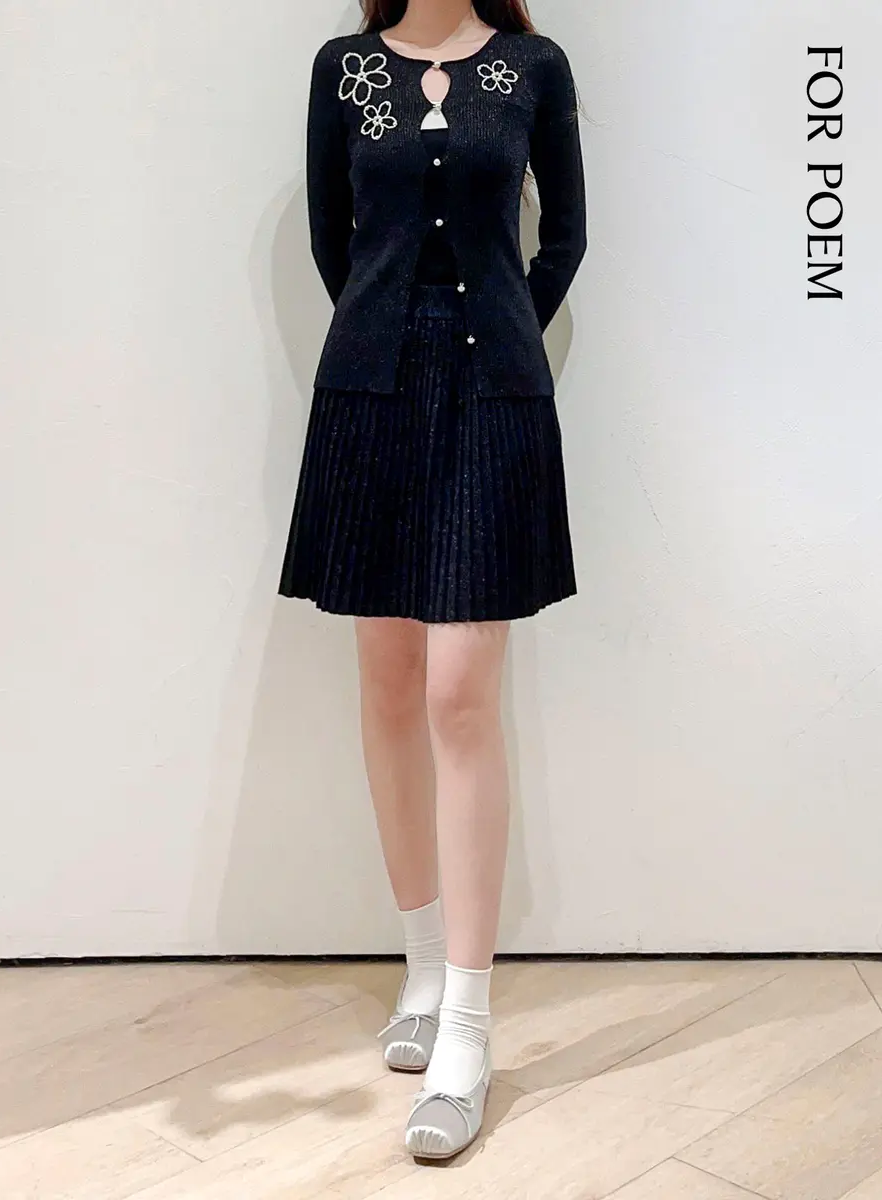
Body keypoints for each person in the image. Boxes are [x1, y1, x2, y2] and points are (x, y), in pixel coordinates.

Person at [279, 0, 587, 1161]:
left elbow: (565, 239)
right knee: (390, 682)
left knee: (460, 693)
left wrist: (500, 325)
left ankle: (468, 1019)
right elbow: (335, 240)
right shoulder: (344, 68)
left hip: (494, 396)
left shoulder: (534, 67)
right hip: (370, 392)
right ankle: (418, 966)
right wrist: (390, 328)